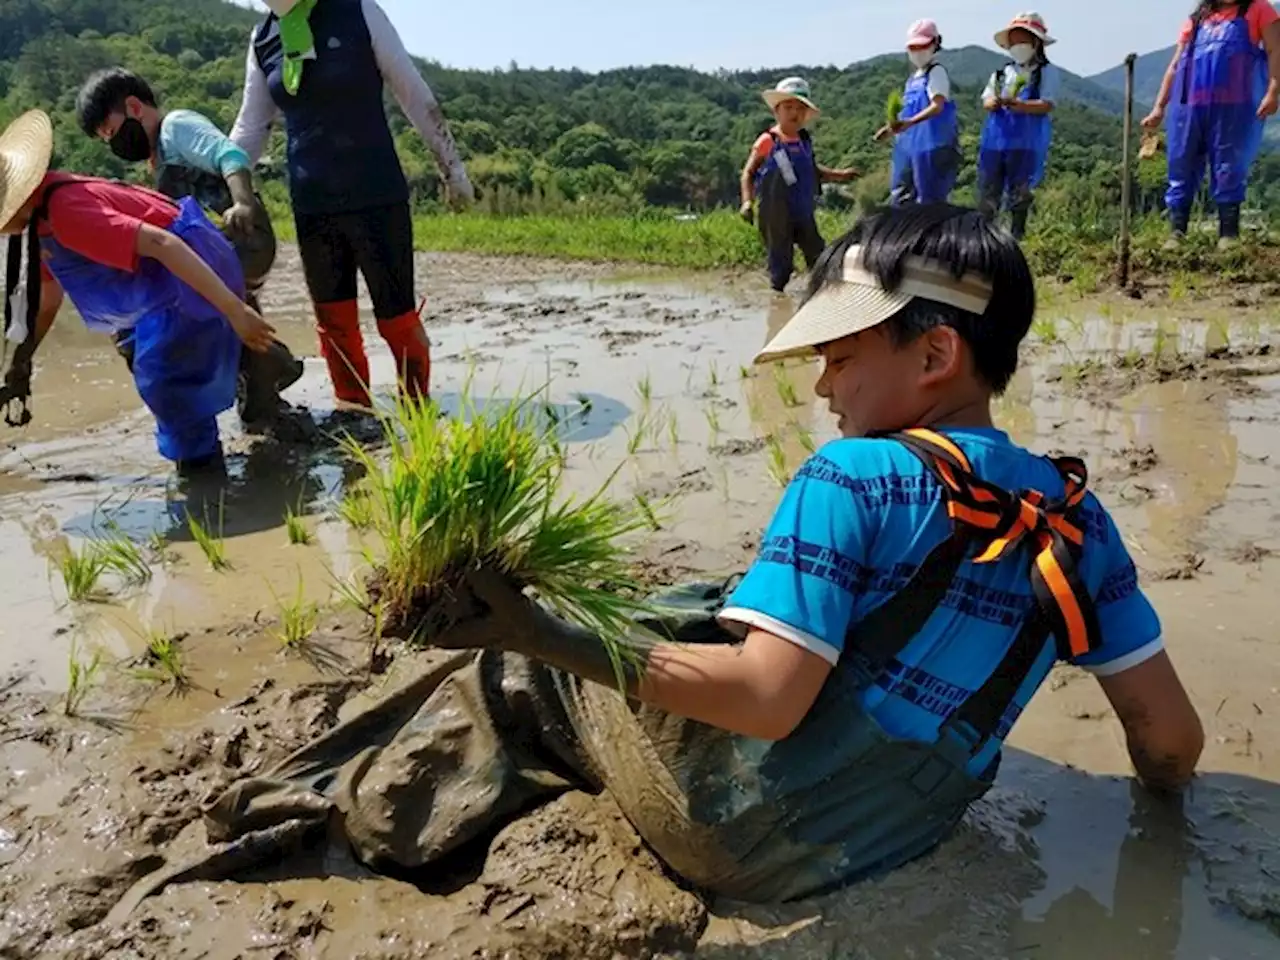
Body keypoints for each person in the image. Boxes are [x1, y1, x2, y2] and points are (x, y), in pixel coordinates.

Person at [185, 203, 1204, 910]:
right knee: (699, 601)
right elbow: (1167, 741)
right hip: (888, 835)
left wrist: (545, 631)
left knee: (524, 674)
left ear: (933, 355)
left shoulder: (850, 480)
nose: (820, 391)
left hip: (741, 836)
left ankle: (327, 818)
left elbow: (765, 700)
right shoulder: (1081, 521)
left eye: (841, 356)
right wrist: (1160, 827)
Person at [0, 110, 278, 474]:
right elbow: (48, 299)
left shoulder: (67, 213)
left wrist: (234, 309)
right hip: (162, 279)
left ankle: (204, 481)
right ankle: (264, 372)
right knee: (147, 358)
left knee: (166, 380)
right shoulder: (39, 222)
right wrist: (21, 362)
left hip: (190, 265)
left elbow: (163, 243)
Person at [229, 0, 475, 409]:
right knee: (333, 322)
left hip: (376, 194)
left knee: (397, 318)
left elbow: (413, 94)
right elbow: (251, 126)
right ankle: (354, 413)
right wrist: (220, 182)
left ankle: (417, 413)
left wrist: (454, 171)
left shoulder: (358, 10)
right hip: (312, 205)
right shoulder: (264, 38)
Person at [73, 67, 303, 427]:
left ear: (134, 107)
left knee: (167, 308)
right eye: (106, 141)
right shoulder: (159, 158)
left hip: (239, 237)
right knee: (222, 315)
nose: (114, 144)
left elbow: (229, 154)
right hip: (213, 248)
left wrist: (242, 203)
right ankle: (262, 388)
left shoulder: (176, 126)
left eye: (112, 133)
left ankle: (270, 364)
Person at [1141, 0, 1280, 249]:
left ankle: (1228, 234)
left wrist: (1272, 92)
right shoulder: (1196, 20)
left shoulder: (1258, 9)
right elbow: (1175, 66)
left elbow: (1275, 50)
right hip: (1189, 107)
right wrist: (1159, 107)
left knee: (1229, 165)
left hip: (1234, 106)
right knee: (1181, 163)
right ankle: (1176, 233)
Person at [740, 77, 859, 293]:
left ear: (806, 114)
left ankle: (823, 295)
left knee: (818, 253)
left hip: (803, 209)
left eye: (799, 109)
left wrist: (840, 175)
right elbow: (748, 173)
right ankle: (777, 299)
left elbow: (813, 172)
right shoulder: (767, 141)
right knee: (780, 261)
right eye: (788, 107)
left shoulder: (804, 141)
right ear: (777, 111)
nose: (794, 113)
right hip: (775, 213)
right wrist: (747, 202)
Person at [977, 12, 1061, 240]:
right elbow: (986, 99)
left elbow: (1047, 104)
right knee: (989, 190)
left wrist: (1020, 105)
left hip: (1026, 142)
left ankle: (1016, 237)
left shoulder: (1046, 72)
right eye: (1013, 41)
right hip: (996, 141)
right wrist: (992, 103)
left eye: (1023, 39)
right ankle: (986, 236)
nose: (1018, 46)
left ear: (1036, 43)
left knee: (1020, 192)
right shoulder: (1002, 73)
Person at [877, 19, 961, 206]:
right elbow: (907, 113)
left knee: (930, 200)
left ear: (935, 44)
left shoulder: (936, 73)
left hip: (934, 147)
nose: (918, 52)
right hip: (911, 148)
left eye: (922, 46)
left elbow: (937, 105)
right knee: (902, 197)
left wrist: (910, 123)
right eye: (913, 47)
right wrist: (890, 129)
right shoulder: (913, 79)